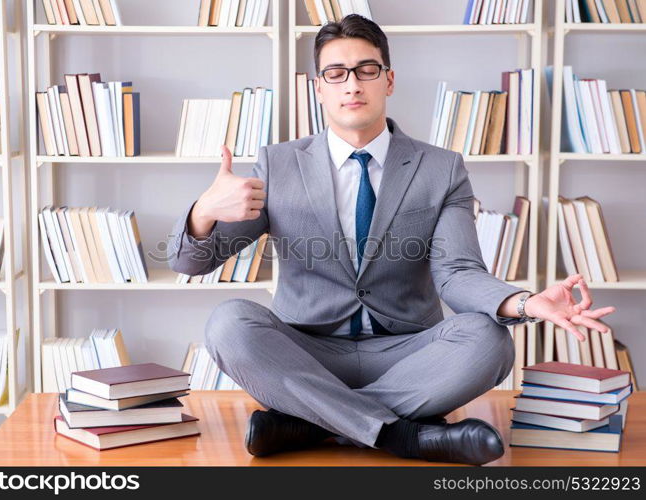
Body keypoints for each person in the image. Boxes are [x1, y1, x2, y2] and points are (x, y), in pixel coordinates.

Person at [168, 14, 616, 465]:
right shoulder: (279, 165)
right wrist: (203, 211)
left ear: (389, 80)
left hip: (408, 356)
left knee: (489, 338)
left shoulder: (441, 168)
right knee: (229, 323)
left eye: (366, 70)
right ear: (318, 88)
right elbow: (191, 264)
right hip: (309, 352)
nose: (352, 85)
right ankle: (405, 436)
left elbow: (458, 273)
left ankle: (311, 424)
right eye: (335, 74)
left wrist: (524, 302)